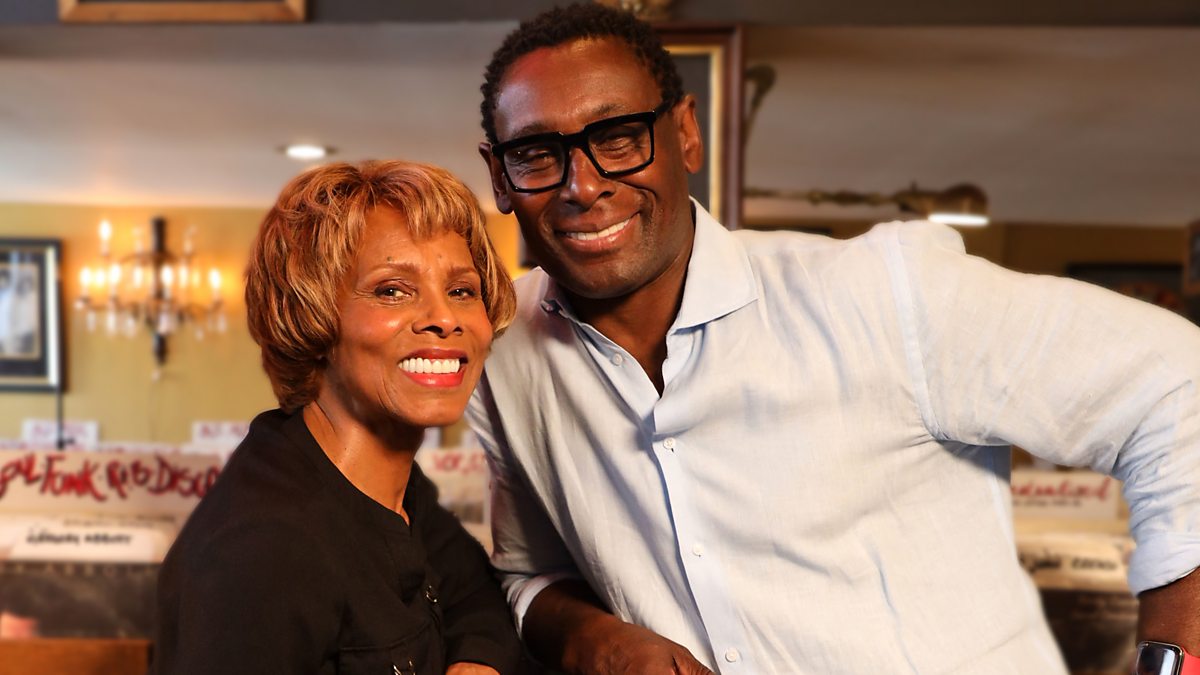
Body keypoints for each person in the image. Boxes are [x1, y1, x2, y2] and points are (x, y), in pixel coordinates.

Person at [467, 4, 1200, 674]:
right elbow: (530, 570)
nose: (582, 185)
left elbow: (1178, 384)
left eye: (619, 136)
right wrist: (588, 636)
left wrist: (1174, 661)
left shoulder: (883, 294)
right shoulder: (499, 347)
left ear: (685, 133)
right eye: (536, 153)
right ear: (499, 177)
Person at [152, 160, 522, 675]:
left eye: (462, 290)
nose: (444, 318)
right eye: (392, 290)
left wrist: (478, 662)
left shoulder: (391, 489)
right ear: (311, 316)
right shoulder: (263, 552)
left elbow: (477, 598)